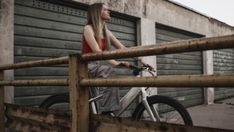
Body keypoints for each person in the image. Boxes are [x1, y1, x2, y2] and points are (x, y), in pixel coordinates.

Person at [82, 3, 150, 114]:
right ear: (97, 13)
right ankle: (107, 112)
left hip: (96, 65)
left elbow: (122, 48)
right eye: (105, 9)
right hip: (86, 66)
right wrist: (116, 63)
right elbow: (98, 52)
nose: (108, 11)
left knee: (111, 79)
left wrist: (140, 59)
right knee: (110, 72)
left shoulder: (106, 32)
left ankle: (103, 110)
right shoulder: (88, 29)